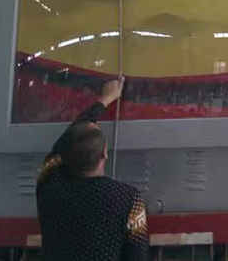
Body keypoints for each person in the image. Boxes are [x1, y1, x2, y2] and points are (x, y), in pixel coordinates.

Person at [36, 79, 149, 261]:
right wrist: (108, 98)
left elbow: (64, 142)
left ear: (65, 153)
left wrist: (103, 100)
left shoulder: (48, 183)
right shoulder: (129, 199)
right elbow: (138, 257)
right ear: (105, 154)